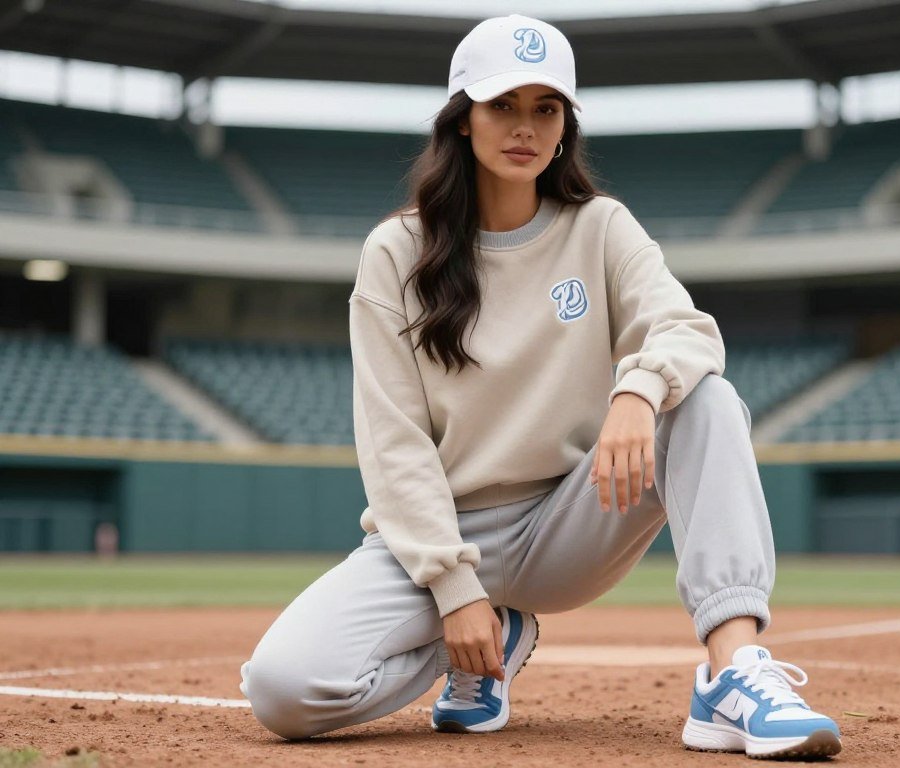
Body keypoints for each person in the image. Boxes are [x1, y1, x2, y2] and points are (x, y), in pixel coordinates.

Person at [239, 13, 841, 760]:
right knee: (283, 691)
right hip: (439, 534)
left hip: (568, 522)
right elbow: (394, 441)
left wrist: (637, 390)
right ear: (463, 119)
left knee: (707, 398)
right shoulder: (396, 251)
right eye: (503, 105)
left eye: (546, 108)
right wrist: (457, 593)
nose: (525, 126)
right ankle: (494, 634)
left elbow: (688, 329)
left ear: (564, 128)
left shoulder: (601, 228)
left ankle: (731, 671)